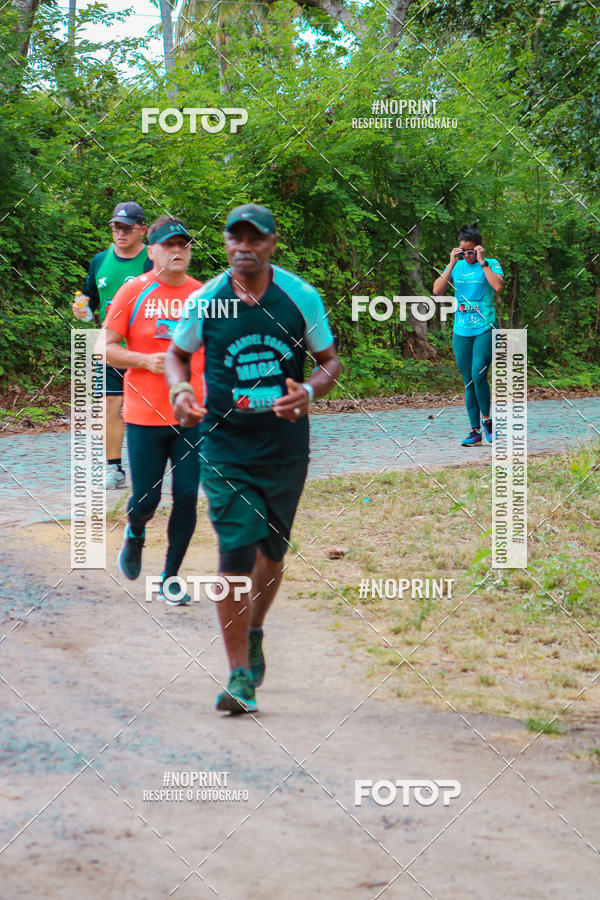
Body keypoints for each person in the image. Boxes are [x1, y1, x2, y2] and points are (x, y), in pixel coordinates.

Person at [165, 203, 340, 714]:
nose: (244, 246)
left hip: (285, 448)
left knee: (273, 553)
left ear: (271, 243)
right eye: (234, 237)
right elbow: (177, 354)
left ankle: (256, 628)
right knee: (235, 550)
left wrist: (308, 390)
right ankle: (239, 674)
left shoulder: (299, 296)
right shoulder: (208, 300)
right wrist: (179, 391)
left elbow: (329, 361)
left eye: (254, 238)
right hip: (223, 445)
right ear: (224, 243)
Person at [102, 216, 204, 605]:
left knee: (187, 497)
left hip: (191, 414)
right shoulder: (134, 290)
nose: (178, 252)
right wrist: (144, 361)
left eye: (185, 245)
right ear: (152, 250)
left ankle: (170, 578)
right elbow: (106, 347)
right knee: (146, 499)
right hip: (145, 415)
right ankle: (135, 532)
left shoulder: (205, 296)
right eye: (169, 245)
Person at [73, 201, 153, 489]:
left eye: (126, 228)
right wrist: (80, 307)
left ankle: (159, 462)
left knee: (153, 405)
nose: (119, 232)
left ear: (142, 230)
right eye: (115, 227)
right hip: (110, 344)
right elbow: (87, 295)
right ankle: (114, 469)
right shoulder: (99, 260)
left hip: (146, 346)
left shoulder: (152, 260)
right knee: (110, 403)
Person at [433, 221, 504, 446]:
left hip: (485, 329)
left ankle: (488, 422)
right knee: (468, 382)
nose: (468, 255)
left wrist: (483, 263)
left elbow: (498, 286)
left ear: (480, 248)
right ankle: (475, 432)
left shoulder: (491, 264)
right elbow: (437, 290)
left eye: (471, 251)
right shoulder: (457, 266)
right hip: (461, 331)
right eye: (463, 251)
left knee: (478, 374)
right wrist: (451, 263)